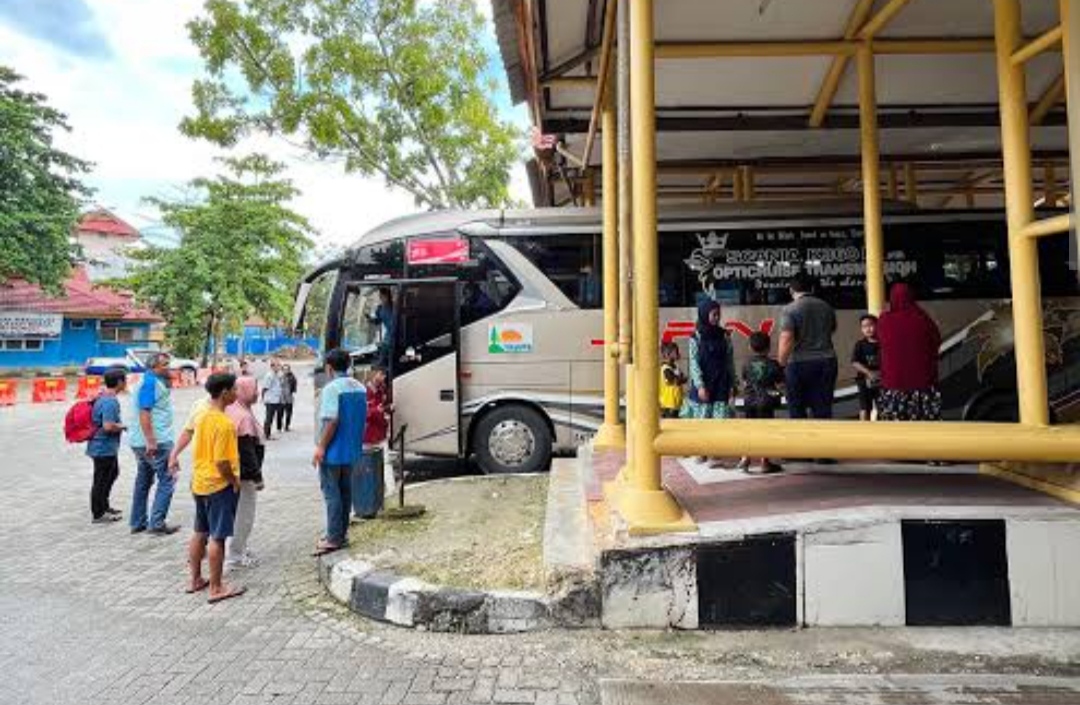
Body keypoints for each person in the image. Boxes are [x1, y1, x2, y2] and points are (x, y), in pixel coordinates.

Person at [187, 373, 245, 603]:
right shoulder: (224, 424)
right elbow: (222, 462)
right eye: (234, 389)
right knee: (217, 537)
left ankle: (194, 580)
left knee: (200, 531)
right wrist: (233, 481)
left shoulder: (202, 417)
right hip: (218, 485)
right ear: (224, 393)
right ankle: (216, 587)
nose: (236, 394)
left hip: (200, 482)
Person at [312, 349, 366, 556]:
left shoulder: (331, 389)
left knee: (331, 494)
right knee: (345, 493)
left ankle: (333, 538)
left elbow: (331, 420)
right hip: (352, 450)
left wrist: (321, 447)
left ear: (329, 367)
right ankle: (341, 535)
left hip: (333, 451)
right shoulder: (359, 387)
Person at [128, 352, 180, 535]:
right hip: (155, 442)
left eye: (168, 363)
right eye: (164, 364)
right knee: (168, 479)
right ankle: (156, 523)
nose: (168, 367)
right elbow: (145, 412)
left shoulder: (149, 381)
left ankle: (137, 522)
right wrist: (151, 440)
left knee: (143, 480)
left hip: (139, 441)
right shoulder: (150, 383)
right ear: (153, 367)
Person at [877, 282, 943, 422]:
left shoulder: (884, 320)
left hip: (893, 384)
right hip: (922, 385)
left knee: (895, 432)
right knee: (922, 430)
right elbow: (936, 341)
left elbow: (881, 342)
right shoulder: (923, 319)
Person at [777, 272, 838, 421]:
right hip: (827, 362)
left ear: (791, 290)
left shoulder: (790, 309)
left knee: (797, 410)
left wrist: (780, 364)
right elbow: (832, 329)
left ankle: (800, 443)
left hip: (798, 364)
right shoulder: (826, 307)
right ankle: (823, 442)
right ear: (812, 288)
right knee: (823, 409)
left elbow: (787, 338)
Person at [225, 375, 265, 569]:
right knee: (244, 515)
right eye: (254, 389)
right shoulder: (242, 416)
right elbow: (246, 451)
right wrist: (257, 477)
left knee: (235, 514)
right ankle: (235, 556)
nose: (257, 393)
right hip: (244, 476)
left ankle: (237, 548)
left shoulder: (235, 409)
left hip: (234, 475)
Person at [738, 332, 785, 474]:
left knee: (749, 430)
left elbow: (745, 381)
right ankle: (765, 462)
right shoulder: (773, 364)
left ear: (751, 347)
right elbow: (781, 383)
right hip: (766, 402)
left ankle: (746, 457)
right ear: (768, 347)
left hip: (749, 401)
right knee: (766, 431)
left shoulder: (746, 364)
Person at [87, 368, 128, 523]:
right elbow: (108, 426)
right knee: (101, 479)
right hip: (103, 447)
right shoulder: (110, 401)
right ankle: (98, 513)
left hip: (103, 446)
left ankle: (104, 506)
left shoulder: (104, 397)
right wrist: (123, 427)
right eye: (124, 380)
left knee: (111, 474)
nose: (126, 383)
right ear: (119, 382)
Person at [355, 366, 390, 520]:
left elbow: (383, 405)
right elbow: (366, 412)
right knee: (367, 467)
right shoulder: (365, 391)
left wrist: (387, 409)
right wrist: (379, 410)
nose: (383, 377)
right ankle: (369, 498)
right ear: (374, 374)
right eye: (381, 374)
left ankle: (386, 494)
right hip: (369, 435)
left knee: (386, 463)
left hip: (380, 432)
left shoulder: (382, 389)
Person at [851, 314, 882, 421]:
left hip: (881, 380)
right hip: (864, 381)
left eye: (871, 325)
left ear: (878, 326)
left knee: (882, 407)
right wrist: (868, 373)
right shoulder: (860, 344)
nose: (868, 328)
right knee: (864, 408)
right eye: (864, 326)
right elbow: (855, 362)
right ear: (861, 329)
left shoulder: (883, 343)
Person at [658, 341, 686, 419]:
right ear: (667, 354)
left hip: (675, 403)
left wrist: (681, 378)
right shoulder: (666, 369)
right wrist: (681, 379)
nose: (678, 353)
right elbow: (675, 381)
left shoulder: (675, 367)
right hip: (668, 404)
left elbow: (681, 378)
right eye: (675, 351)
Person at [262, 360, 284, 439]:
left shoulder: (277, 375)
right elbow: (264, 388)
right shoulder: (269, 376)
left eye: (279, 365)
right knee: (269, 418)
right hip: (270, 400)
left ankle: (268, 433)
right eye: (277, 366)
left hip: (275, 399)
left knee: (271, 417)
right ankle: (266, 434)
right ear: (272, 367)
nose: (278, 367)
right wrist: (263, 398)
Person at [281, 364, 298, 432]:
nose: (286, 371)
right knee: (281, 413)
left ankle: (287, 426)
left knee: (289, 413)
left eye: (287, 369)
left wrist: (292, 391)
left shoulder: (292, 377)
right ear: (282, 370)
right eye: (284, 369)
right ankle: (280, 426)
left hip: (289, 397)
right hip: (281, 398)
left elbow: (294, 386)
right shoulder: (280, 377)